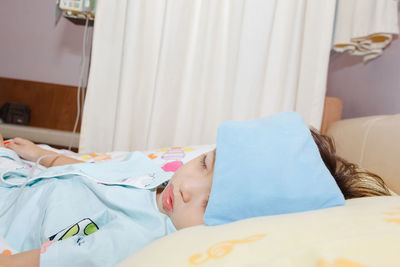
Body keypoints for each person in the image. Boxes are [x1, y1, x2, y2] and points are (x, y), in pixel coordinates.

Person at [0, 112, 391, 267]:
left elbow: (35, 261)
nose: (186, 187)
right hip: (25, 173)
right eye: (206, 163)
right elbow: (105, 169)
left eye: (210, 203)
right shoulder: (164, 176)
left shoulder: (136, 238)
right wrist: (45, 156)